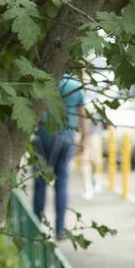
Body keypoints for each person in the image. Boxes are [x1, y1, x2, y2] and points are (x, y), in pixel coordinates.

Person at [32, 72, 84, 236]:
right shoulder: (75, 85)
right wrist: (85, 140)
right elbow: (83, 114)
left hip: (42, 138)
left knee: (40, 182)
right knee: (61, 183)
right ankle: (60, 229)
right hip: (66, 139)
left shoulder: (44, 82)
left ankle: (36, 226)